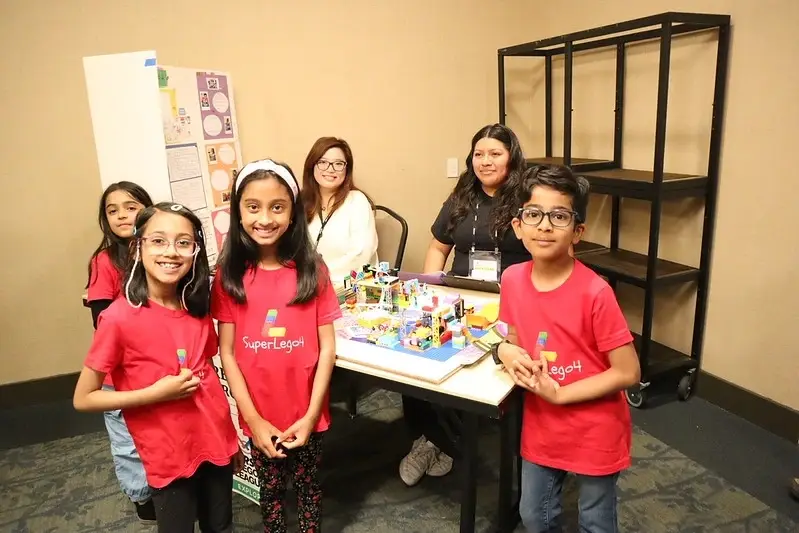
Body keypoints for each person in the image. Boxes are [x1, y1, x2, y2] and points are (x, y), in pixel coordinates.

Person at [73, 202, 241, 533]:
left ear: (195, 251)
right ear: (138, 246)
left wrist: (230, 436)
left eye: (184, 242)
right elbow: (84, 398)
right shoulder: (119, 319)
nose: (172, 252)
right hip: (169, 456)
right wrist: (153, 393)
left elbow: (207, 374)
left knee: (220, 526)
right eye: (159, 240)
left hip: (216, 443)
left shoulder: (196, 307)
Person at [494, 165, 641, 533]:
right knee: (534, 514)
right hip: (543, 422)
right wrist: (505, 352)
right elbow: (511, 338)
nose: (545, 225)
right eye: (534, 214)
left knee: (595, 520)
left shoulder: (595, 292)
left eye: (559, 216)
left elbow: (628, 372)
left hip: (595, 426)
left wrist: (561, 395)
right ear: (518, 226)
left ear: (577, 231)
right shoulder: (511, 279)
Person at [212, 159, 341, 533]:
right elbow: (228, 353)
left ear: (293, 213)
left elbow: (327, 349)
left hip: (308, 416)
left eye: (277, 207)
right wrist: (252, 419)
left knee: (309, 491)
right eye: (253, 207)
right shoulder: (230, 275)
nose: (265, 218)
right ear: (238, 213)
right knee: (270, 496)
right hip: (259, 417)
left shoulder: (312, 270)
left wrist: (312, 414)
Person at [398, 124, 529, 487]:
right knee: (417, 354)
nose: (485, 161)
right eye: (479, 154)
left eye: (495, 154)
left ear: (512, 157)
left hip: (509, 302)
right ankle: (432, 439)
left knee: (474, 371)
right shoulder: (460, 197)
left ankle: (446, 440)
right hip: (460, 296)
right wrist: (429, 292)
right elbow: (438, 246)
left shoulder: (528, 199)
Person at [84, 181, 156, 523]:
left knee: (157, 428)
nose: (122, 215)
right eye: (113, 211)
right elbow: (102, 321)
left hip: (157, 365)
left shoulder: (158, 251)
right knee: (127, 437)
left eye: (130, 206)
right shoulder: (104, 261)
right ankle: (142, 498)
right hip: (120, 373)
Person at [303, 136, 378, 286]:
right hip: (308, 286)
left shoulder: (357, 201)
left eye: (338, 164)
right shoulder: (301, 202)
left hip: (350, 286)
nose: (330, 169)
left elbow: (361, 254)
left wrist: (318, 277)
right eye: (323, 162)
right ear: (312, 165)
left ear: (346, 169)